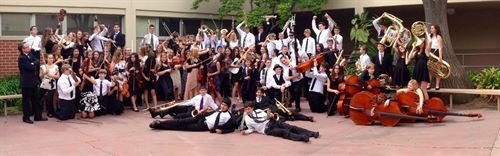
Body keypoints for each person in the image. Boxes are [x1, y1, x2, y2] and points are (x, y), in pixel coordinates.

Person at [149, 97, 237, 134]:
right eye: (222, 104)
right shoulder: (219, 109)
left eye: (225, 105)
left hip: (203, 126)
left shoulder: (229, 116)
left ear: (228, 107)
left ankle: (159, 126)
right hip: (201, 118)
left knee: (181, 127)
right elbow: (211, 114)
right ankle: (160, 122)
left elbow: (232, 128)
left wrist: (222, 131)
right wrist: (202, 112)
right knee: (180, 121)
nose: (222, 106)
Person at [240, 102, 319, 143]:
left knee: (291, 127)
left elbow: (266, 117)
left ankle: (312, 133)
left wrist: (270, 115)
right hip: (266, 130)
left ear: (252, 108)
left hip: (272, 122)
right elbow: (251, 129)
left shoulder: (259, 111)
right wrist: (246, 132)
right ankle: (303, 138)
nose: (247, 111)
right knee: (285, 132)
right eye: (246, 109)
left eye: (248, 109)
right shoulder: (247, 118)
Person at [18, 42, 46, 124]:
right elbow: (30, 67)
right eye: (27, 47)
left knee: (36, 99)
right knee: (26, 101)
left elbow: (37, 61)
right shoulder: (22, 58)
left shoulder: (30, 54)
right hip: (26, 83)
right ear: (23, 49)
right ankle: (26, 117)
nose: (29, 48)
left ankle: (38, 116)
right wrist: (33, 64)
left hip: (34, 81)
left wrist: (33, 63)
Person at [149, 87, 218, 119]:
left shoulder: (208, 97)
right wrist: (178, 104)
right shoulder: (197, 97)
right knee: (174, 107)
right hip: (190, 108)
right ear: (199, 91)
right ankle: (158, 113)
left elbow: (213, 105)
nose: (203, 92)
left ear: (206, 91)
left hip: (196, 112)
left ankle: (157, 113)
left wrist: (218, 109)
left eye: (204, 90)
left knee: (177, 115)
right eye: (201, 90)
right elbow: (189, 102)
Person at [39, 54, 60, 118]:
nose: (51, 59)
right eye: (49, 58)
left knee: (49, 99)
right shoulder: (42, 66)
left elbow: (58, 76)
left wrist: (51, 75)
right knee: (39, 97)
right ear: (46, 59)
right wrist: (45, 73)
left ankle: (51, 112)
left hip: (52, 84)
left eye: (52, 58)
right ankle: (37, 111)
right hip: (44, 83)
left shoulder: (56, 67)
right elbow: (40, 76)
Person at [428, 25, 444, 90]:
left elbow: (440, 48)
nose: (431, 29)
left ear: (436, 29)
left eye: (432, 28)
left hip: (436, 52)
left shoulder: (438, 37)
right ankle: (429, 84)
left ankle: (437, 85)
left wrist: (440, 57)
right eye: (431, 28)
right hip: (430, 52)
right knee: (429, 69)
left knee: (437, 69)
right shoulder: (430, 36)